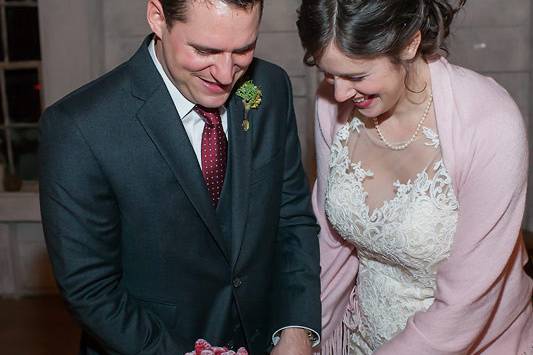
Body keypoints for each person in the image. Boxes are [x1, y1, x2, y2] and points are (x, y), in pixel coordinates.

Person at [39, 0, 321, 354]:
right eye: (205, 50)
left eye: (244, 49)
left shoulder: (270, 86)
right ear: (158, 17)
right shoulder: (78, 128)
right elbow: (90, 290)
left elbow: (291, 217)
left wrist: (295, 326)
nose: (224, 73)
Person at [296, 0, 533, 354]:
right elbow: (329, 247)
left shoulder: (490, 123)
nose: (340, 93)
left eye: (357, 76)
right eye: (330, 74)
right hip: (358, 335)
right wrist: (305, 333)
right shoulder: (331, 104)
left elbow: (468, 301)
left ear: (408, 44)